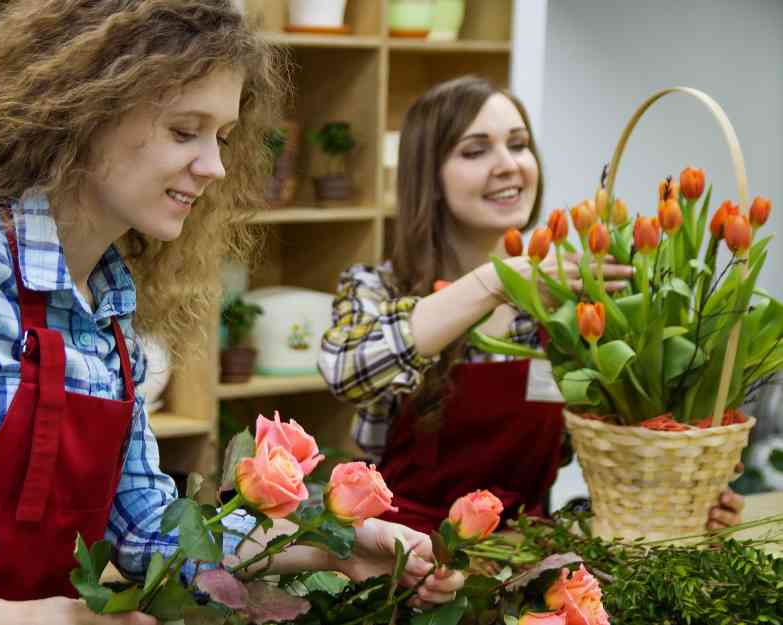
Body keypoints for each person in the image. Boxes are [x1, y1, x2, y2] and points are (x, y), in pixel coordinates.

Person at [0, 2, 461, 624]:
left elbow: (148, 527)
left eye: (224, 136)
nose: (214, 167)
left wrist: (336, 544)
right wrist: (1, 617)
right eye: (185, 131)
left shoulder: (107, 322)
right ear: (85, 111)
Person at [318, 75, 745, 536]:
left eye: (518, 145)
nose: (508, 165)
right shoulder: (376, 288)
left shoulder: (574, 304)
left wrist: (679, 498)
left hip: (524, 559)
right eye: (475, 150)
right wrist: (497, 283)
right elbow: (347, 370)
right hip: (399, 558)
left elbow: (616, 456)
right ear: (430, 176)